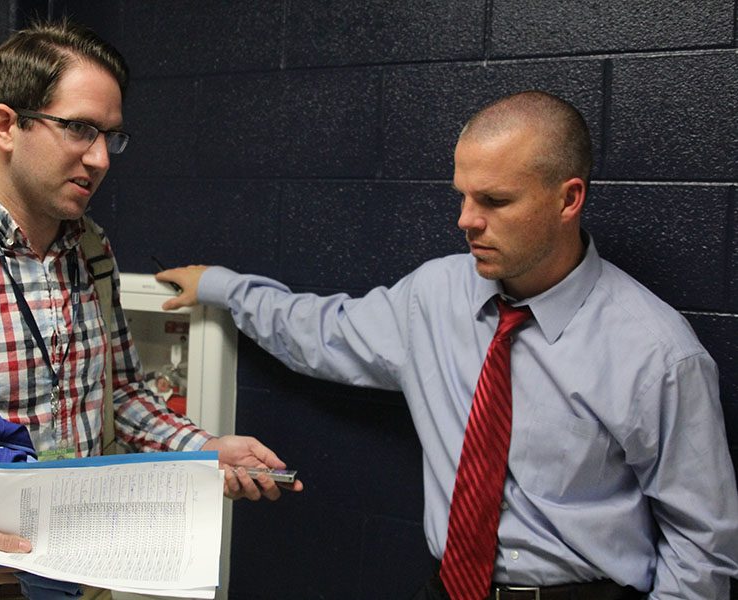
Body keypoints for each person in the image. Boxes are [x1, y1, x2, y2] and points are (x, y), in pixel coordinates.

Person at [158, 91, 738, 599]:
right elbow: (322, 331)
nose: (466, 220)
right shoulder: (436, 294)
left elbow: (702, 546)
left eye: (495, 201)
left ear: (568, 199)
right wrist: (220, 287)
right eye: (462, 196)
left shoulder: (657, 354)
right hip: (448, 587)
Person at [0, 19, 300, 599]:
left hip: (77, 577)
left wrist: (203, 449)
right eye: (80, 129)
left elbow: (120, 393)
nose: (102, 158)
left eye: (112, 135)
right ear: (7, 125)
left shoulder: (90, 249)